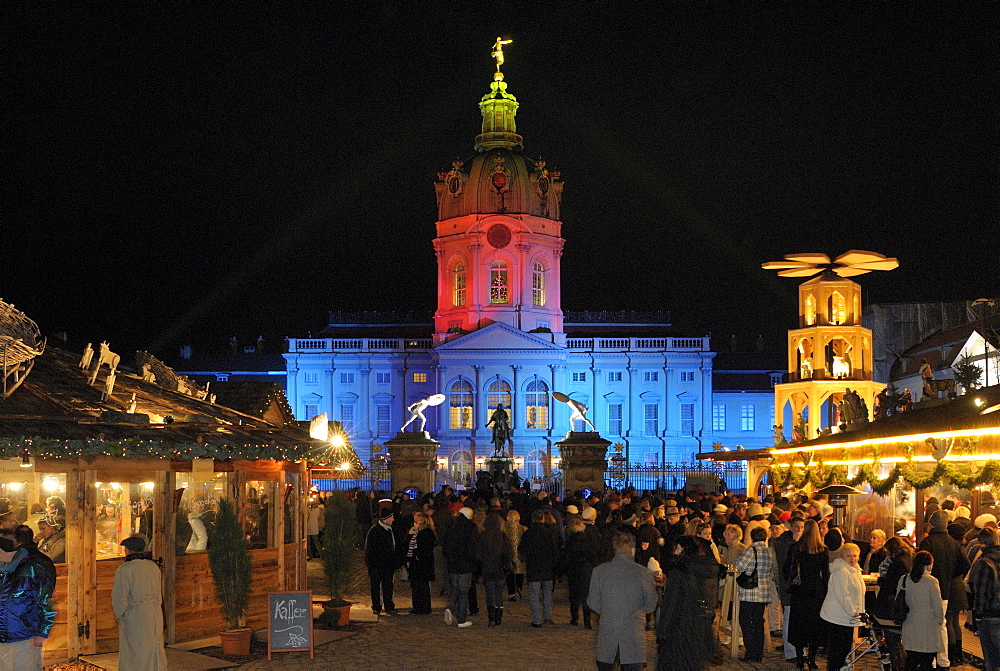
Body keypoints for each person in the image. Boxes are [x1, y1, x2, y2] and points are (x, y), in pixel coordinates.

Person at [588, 532, 658, 671]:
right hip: (633, 633)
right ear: (632, 550)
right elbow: (651, 605)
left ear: (615, 550)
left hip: (608, 631)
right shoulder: (644, 573)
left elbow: (592, 602)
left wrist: (609, 609)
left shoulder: (599, 571)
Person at [656, 535, 722, 670]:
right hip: (699, 627)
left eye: (676, 548)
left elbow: (672, 604)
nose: (674, 552)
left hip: (679, 628)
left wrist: (662, 632)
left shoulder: (679, 571)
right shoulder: (706, 569)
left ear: (682, 549)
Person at [0, 525, 55, 671]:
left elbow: (45, 600)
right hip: (5, 638)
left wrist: (42, 631)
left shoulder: (31, 568)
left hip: (25, 637)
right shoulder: (4, 572)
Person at [920, 508, 970, 667]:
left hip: (931, 589)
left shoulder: (928, 542)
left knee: (934, 625)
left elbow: (921, 565)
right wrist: (951, 575)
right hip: (948, 589)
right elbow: (965, 565)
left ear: (931, 524)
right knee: (946, 623)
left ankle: (933, 659)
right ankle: (949, 657)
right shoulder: (954, 543)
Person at [112, 533, 167, 670]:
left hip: (136, 615)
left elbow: (119, 597)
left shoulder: (125, 570)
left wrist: (120, 615)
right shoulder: (153, 567)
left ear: (129, 550)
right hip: (154, 613)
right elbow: (159, 594)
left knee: (136, 651)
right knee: (154, 646)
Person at [820, 542, 866, 671]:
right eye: (849, 556)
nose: (852, 559)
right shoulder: (841, 571)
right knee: (837, 651)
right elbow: (843, 595)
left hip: (846, 617)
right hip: (837, 616)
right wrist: (852, 611)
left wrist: (860, 611)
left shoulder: (855, 570)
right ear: (842, 557)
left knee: (845, 649)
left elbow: (858, 594)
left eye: (855, 556)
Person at [734, 526, 776, 663]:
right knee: (758, 622)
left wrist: (739, 558)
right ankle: (758, 653)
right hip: (763, 592)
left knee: (745, 621)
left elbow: (739, 566)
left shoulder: (752, 550)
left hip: (750, 592)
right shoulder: (768, 551)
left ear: (752, 537)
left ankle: (750, 652)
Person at [873, 536, 916, 670]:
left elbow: (891, 584)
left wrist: (880, 580)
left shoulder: (898, 563)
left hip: (891, 606)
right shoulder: (907, 559)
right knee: (895, 639)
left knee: (893, 640)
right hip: (899, 605)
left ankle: (899, 666)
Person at [901, 551, 946, 670]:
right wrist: (940, 620)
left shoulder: (904, 579)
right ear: (929, 564)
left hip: (910, 624)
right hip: (928, 626)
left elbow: (899, 600)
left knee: (911, 660)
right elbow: (937, 605)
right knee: (927, 661)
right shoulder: (932, 581)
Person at [967, 527, 1000, 671]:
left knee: (991, 656)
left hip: (990, 613)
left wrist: (977, 614)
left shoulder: (984, 563)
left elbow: (981, 590)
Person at [519, 509, 559, 627]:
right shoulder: (549, 533)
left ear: (533, 519)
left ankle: (537, 620)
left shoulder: (528, 533)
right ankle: (548, 616)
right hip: (547, 567)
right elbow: (555, 551)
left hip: (533, 567)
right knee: (547, 593)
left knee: (534, 594)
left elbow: (522, 550)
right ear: (543, 519)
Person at [774, 516, 806, 663]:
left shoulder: (800, 543)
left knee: (798, 619)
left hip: (798, 588)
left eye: (802, 527)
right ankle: (790, 651)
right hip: (788, 587)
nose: (799, 530)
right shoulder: (783, 543)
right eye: (796, 526)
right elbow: (785, 567)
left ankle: (799, 649)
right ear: (790, 526)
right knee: (788, 619)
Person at [563, 517, 600, 628]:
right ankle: (587, 621)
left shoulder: (571, 542)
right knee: (586, 596)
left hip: (574, 570)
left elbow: (567, 558)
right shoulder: (588, 541)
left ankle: (574, 618)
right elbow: (594, 556)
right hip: (587, 570)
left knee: (574, 595)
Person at [443, 506, 477, 627]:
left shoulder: (452, 528)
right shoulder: (470, 529)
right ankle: (461, 619)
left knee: (456, 588)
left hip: (453, 565)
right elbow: (473, 549)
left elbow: (445, 547)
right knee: (464, 592)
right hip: (465, 565)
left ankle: (450, 607)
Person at [364, 507, 401, 616]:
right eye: (391, 517)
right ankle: (376, 607)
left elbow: (397, 546)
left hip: (389, 565)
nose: (393, 519)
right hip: (376, 565)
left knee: (388, 586)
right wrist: (370, 565)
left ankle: (389, 606)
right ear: (385, 519)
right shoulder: (374, 530)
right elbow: (369, 549)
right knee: (375, 587)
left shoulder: (392, 530)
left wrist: (397, 561)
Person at [477, 513, 512, 627]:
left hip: (487, 569)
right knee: (499, 594)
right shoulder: (502, 536)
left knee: (490, 594)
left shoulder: (482, 536)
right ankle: (498, 618)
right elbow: (509, 552)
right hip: (500, 569)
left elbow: (478, 554)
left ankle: (491, 617)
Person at [405, 511, 436, 615]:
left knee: (422, 586)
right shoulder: (416, 532)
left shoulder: (426, 533)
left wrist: (417, 556)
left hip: (422, 564)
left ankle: (423, 607)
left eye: (416, 520)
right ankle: (417, 607)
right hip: (416, 563)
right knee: (416, 586)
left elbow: (424, 549)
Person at [503, 509, 527, 601]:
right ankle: (519, 588)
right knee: (519, 572)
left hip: (509, 554)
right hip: (519, 554)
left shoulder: (504, 528)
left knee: (510, 573)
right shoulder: (523, 528)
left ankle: (511, 593)